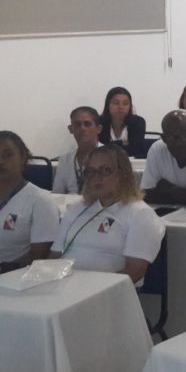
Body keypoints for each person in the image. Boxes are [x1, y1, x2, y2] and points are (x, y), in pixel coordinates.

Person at [50, 145, 164, 284]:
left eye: (105, 170)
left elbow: (135, 271)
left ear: (122, 174)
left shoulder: (140, 214)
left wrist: (93, 289)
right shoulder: (76, 209)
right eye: (90, 172)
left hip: (108, 291)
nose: (96, 177)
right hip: (64, 286)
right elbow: (54, 256)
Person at [0, 132, 59, 270]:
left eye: (7, 155)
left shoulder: (40, 201)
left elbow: (39, 259)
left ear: (23, 157)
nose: (1, 161)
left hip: (12, 275)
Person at [53, 107, 103, 194]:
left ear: (98, 129)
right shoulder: (64, 160)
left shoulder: (112, 157)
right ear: (70, 129)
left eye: (87, 124)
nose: (82, 128)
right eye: (77, 125)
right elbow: (57, 194)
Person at [98, 86, 147, 158]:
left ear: (130, 106)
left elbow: (135, 150)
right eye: (116, 103)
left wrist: (110, 144)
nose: (121, 107)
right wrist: (122, 143)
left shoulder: (138, 122)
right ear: (108, 105)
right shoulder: (100, 122)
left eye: (125, 103)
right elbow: (100, 150)